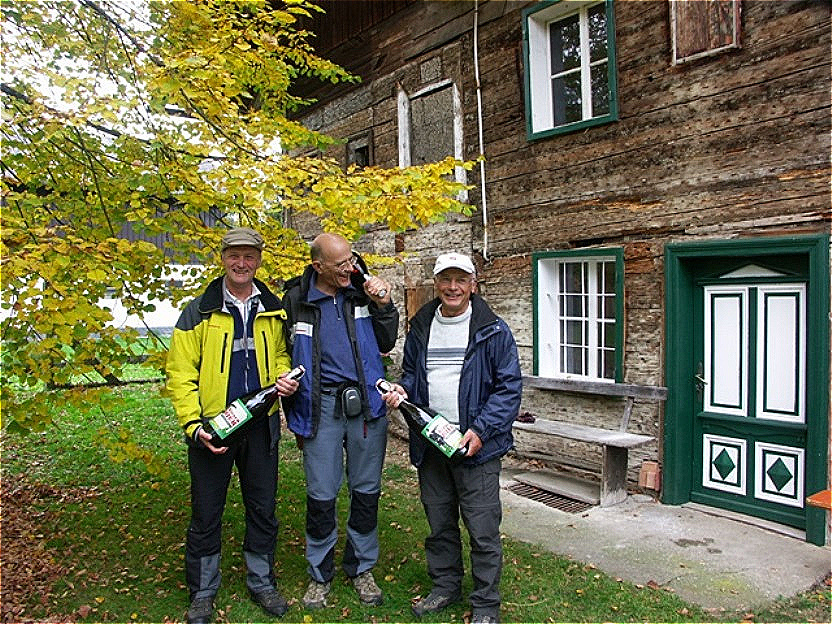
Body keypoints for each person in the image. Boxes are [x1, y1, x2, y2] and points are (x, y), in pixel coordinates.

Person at [165, 227, 299, 624]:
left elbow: (277, 355)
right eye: (234, 256)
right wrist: (193, 425)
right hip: (213, 428)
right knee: (206, 512)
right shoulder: (199, 311)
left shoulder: (273, 308)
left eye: (249, 256)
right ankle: (203, 592)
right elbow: (180, 374)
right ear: (222, 258)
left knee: (262, 508)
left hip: (261, 426)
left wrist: (282, 377)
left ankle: (261, 583)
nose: (242, 264)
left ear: (259, 260)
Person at [380, 252, 522, 624]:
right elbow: (411, 374)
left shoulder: (493, 329)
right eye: (446, 279)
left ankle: (486, 605)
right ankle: (445, 586)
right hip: (432, 443)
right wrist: (402, 390)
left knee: (482, 529)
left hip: (476, 446)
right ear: (437, 283)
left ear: (473, 285)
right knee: (440, 523)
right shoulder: (423, 324)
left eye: (461, 280)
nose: (453, 287)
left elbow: (508, 389)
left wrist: (480, 430)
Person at [282, 232, 397, 609]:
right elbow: (283, 352)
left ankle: (361, 568)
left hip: (366, 405)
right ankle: (320, 574)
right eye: (341, 264)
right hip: (320, 407)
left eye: (351, 259)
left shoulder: (361, 289)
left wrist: (385, 303)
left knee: (366, 492)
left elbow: (388, 340)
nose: (351, 268)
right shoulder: (295, 299)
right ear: (318, 266)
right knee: (321, 495)